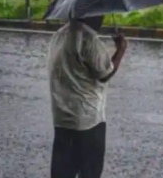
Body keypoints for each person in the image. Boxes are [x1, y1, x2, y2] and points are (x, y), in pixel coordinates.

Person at [47, 15, 127, 178]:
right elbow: (105, 73)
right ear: (92, 14)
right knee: (90, 172)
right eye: (101, 14)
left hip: (62, 119)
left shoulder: (58, 36)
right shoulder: (89, 40)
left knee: (63, 173)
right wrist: (121, 49)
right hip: (88, 122)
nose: (102, 18)